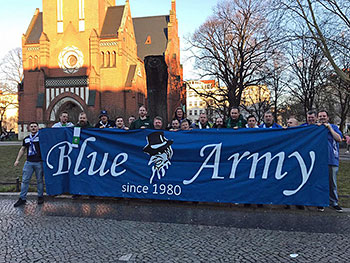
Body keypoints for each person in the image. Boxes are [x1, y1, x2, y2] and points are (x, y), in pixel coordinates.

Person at [13, 122, 44, 207]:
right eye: (32, 127)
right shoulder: (26, 139)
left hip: (39, 162)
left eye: (35, 126)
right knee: (25, 180)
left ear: (38, 128)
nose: (33, 128)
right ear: (29, 128)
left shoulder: (41, 138)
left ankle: (40, 196)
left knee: (39, 180)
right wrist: (17, 160)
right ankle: (22, 198)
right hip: (29, 162)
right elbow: (22, 149)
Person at [317, 110, 343, 212]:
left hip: (332, 159)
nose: (322, 118)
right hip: (319, 161)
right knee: (320, 182)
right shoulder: (316, 128)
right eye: (320, 116)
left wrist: (330, 128)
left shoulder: (334, 127)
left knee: (332, 183)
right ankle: (321, 202)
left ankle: (334, 202)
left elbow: (339, 139)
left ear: (327, 117)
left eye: (324, 116)